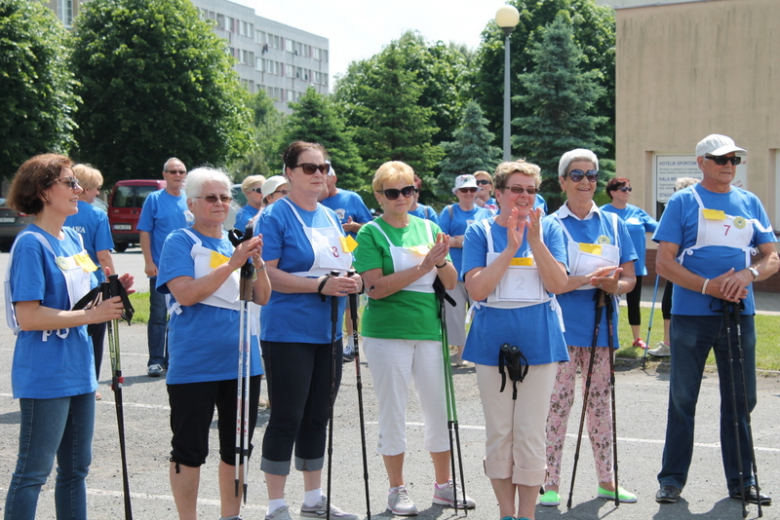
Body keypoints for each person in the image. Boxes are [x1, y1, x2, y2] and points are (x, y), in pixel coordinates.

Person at [3, 154, 132, 520]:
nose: (79, 190)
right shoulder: (31, 244)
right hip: (46, 372)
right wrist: (90, 315)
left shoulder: (74, 238)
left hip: (79, 369)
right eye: (69, 183)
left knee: (76, 470)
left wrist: (111, 291)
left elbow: (83, 297)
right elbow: (27, 316)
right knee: (33, 472)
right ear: (44, 191)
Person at [653, 134, 778, 506]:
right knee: (682, 398)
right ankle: (672, 479)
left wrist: (747, 276)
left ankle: (743, 480)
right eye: (720, 158)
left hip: (740, 312)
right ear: (701, 162)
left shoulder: (750, 201)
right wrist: (708, 286)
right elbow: (664, 263)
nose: (728, 165)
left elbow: (771, 257)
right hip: (692, 315)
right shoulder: (682, 202)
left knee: (741, 398)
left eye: (734, 159)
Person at [353, 161, 475, 516]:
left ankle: (444, 487)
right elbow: (373, 288)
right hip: (387, 333)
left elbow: (451, 282)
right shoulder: (370, 233)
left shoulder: (430, 227)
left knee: (440, 410)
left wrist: (438, 263)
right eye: (392, 192)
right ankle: (396, 488)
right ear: (379, 196)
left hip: (429, 331)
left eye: (408, 190)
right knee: (393, 411)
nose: (401, 198)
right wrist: (423, 267)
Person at [255, 141, 362, 520]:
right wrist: (317, 286)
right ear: (289, 172)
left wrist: (353, 279)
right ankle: (275, 504)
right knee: (287, 415)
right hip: (288, 331)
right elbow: (266, 274)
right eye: (310, 168)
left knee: (319, 414)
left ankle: (314, 498)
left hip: (328, 330)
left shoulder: (331, 217)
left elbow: (348, 260)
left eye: (324, 167)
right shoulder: (274, 216)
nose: (319, 174)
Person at [156, 167, 271, 520]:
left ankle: (230, 516)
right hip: (195, 363)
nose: (220, 203)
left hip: (242, 363)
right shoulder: (181, 241)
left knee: (237, 449)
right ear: (192, 203)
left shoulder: (235, 239)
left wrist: (257, 264)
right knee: (189, 449)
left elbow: (261, 297)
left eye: (225, 197)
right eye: (211, 197)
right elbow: (186, 294)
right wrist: (232, 264)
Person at [462, 161, 569, 520]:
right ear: (500, 193)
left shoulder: (549, 229)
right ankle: (506, 514)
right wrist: (509, 249)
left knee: (529, 433)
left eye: (531, 190)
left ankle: (527, 515)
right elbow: (476, 288)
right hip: (491, 341)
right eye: (517, 189)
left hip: (540, 341)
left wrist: (533, 241)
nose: (524, 197)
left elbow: (558, 284)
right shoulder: (479, 232)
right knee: (500, 433)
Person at [543, 148, 639, 507]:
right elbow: (553, 281)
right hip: (563, 331)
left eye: (592, 175)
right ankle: (549, 481)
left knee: (600, 408)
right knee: (557, 406)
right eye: (577, 175)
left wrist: (616, 286)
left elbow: (629, 278)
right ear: (563, 181)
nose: (586, 181)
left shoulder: (614, 223)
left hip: (603, 328)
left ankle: (607, 481)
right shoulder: (551, 224)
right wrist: (588, 279)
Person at [63, 164, 116, 400]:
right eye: (96, 189)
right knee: (94, 337)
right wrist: (114, 285)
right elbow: (104, 255)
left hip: (64, 282)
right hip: (91, 284)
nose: (97, 194)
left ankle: (65, 381)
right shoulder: (97, 215)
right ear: (85, 189)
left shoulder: (61, 212)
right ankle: (90, 384)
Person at [138, 157, 189, 377]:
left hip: (187, 270)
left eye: (181, 171)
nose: (178, 175)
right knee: (159, 315)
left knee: (182, 314)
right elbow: (145, 232)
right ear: (164, 175)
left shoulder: (191, 200)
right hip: (161, 269)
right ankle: (156, 361)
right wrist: (148, 261)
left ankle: (174, 359)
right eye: (173, 171)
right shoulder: (154, 199)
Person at [318, 162, 373, 362]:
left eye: (327, 176)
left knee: (351, 303)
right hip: (325, 258)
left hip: (350, 255)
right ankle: (331, 341)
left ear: (334, 178)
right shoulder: (316, 201)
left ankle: (352, 343)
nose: (323, 180)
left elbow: (371, 226)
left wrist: (354, 227)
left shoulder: (351, 197)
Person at [438, 174, 492, 367]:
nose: (468, 194)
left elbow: (490, 241)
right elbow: (440, 238)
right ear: (457, 193)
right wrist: (459, 241)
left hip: (478, 272)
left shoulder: (485, 213)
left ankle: (479, 352)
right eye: (464, 190)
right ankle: (461, 354)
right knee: (455, 314)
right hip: (455, 272)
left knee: (481, 313)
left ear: (477, 191)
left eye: (471, 190)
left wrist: (460, 241)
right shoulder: (450, 212)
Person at [601, 177, 659, 348]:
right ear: (613, 192)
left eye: (629, 189)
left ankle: (637, 338)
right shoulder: (604, 212)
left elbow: (660, 229)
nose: (628, 192)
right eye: (623, 189)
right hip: (611, 267)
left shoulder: (637, 212)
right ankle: (608, 336)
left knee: (635, 303)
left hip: (636, 267)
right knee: (609, 303)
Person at [648, 176, 700, 358]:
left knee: (674, 303)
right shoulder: (688, 212)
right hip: (683, 266)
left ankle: (678, 344)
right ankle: (673, 343)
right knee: (671, 303)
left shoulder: (686, 212)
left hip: (683, 267)